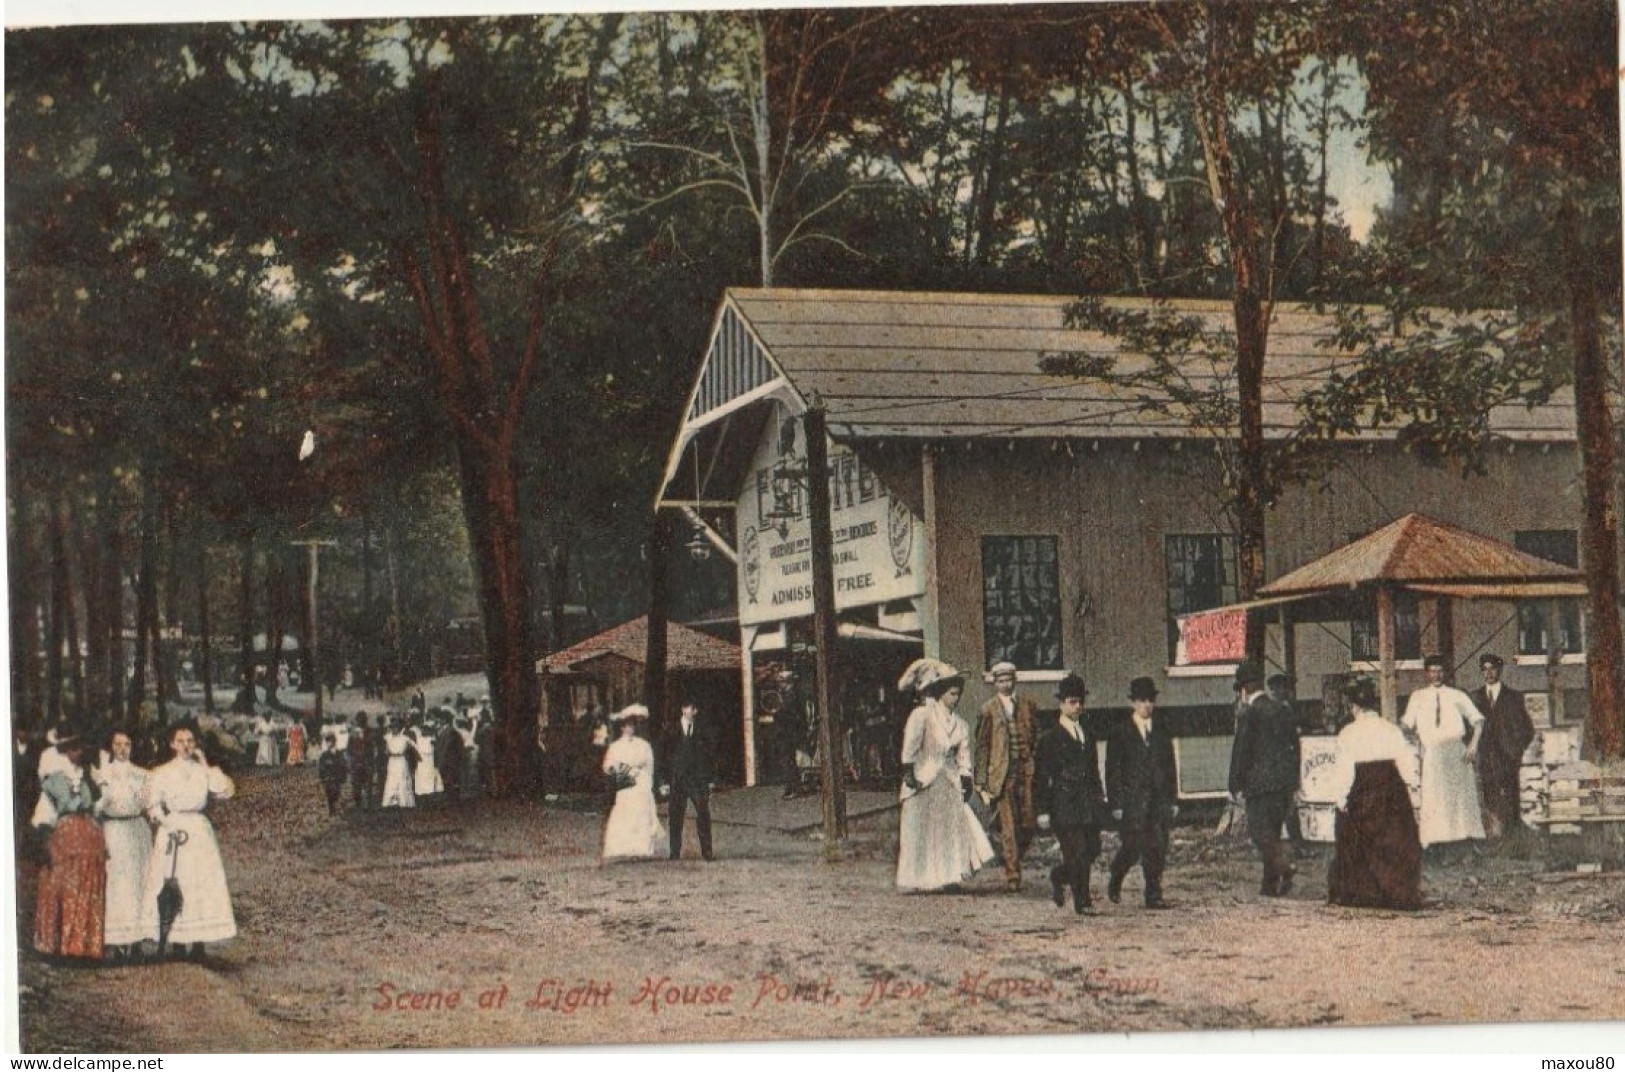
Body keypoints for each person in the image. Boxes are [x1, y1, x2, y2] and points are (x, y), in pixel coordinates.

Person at [894, 658, 994, 892]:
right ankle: (914, 879)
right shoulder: (923, 715)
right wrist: (909, 772)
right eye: (951, 694)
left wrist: (966, 776)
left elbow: (963, 755)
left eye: (958, 694)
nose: (955, 699)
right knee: (920, 830)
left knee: (948, 832)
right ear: (940, 694)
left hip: (948, 782)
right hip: (924, 779)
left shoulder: (960, 724)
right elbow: (910, 746)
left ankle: (949, 877)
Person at [138, 722, 237, 960]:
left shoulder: (203, 771)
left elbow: (225, 791)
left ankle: (198, 942)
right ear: (172, 744)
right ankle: (176, 940)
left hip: (199, 832)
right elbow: (152, 804)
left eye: (190, 741)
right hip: (173, 830)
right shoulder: (161, 772)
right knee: (175, 881)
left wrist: (205, 764)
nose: (186, 746)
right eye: (181, 741)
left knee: (199, 883)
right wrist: (166, 823)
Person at [1326, 677, 1425, 910]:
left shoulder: (1348, 733)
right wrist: (1412, 788)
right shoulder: (1390, 729)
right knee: (1394, 838)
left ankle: (1364, 892)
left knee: (1355, 835)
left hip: (1363, 790)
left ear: (1354, 707)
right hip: (1392, 790)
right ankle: (1397, 891)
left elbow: (1344, 771)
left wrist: (1341, 799)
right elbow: (1407, 761)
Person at [1033, 673, 1107, 914]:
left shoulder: (1088, 733)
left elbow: (1094, 769)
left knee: (1092, 849)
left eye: (1080, 702)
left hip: (1088, 803)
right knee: (1076, 852)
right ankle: (1082, 901)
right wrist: (1042, 810)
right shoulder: (1050, 738)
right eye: (1072, 702)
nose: (1077, 707)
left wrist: (1100, 797)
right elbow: (1041, 777)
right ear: (1061, 703)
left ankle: (1058, 875)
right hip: (1063, 804)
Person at [1229, 660, 1302, 897]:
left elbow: (1241, 752)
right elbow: (1295, 747)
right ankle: (1269, 886)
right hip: (1283, 785)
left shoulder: (1249, 714)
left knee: (1261, 835)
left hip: (1258, 786)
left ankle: (1285, 867)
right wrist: (1293, 781)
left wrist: (1234, 784)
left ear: (1244, 689)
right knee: (1272, 831)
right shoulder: (1282, 709)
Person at [31, 734, 107, 961]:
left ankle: (82, 947)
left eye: (80, 748)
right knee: (62, 889)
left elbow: (97, 806)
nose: (78, 753)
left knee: (87, 889)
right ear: (65, 750)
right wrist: (45, 841)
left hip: (89, 840)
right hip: (64, 841)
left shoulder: (88, 778)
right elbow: (44, 814)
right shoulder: (54, 780)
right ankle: (60, 946)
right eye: (72, 748)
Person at [1105, 675, 1178, 909]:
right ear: (1132, 703)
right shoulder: (1120, 732)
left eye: (1150, 700)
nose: (1147, 705)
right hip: (1132, 802)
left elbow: (1170, 767)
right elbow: (1112, 771)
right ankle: (1116, 876)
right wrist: (1116, 803)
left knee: (1157, 847)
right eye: (1142, 700)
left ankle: (1153, 894)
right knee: (1132, 847)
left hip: (1158, 801)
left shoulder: (1162, 730)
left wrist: (1172, 799)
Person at [1400, 653, 1485, 851]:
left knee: (1461, 798)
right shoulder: (1418, 696)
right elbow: (1406, 724)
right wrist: (1411, 738)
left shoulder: (1457, 695)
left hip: (1456, 752)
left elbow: (1478, 721)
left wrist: (1473, 745)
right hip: (1433, 753)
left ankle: (1465, 842)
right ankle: (1435, 845)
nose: (1436, 675)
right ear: (1426, 674)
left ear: (1445, 673)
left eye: (1439, 671)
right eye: (1432, 671)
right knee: (1435, 797)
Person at [974, 661, 1038, 891]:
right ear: (994, 683)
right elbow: (981, 747)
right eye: (1000, 681)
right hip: (1002, 775)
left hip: (1026, 772)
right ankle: (1013, 875)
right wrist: (981, 781)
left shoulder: (1027, 705)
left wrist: (1033, 761)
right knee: (1008, 826)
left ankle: (1012, 857)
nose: (1005, 684)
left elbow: (1035, 737)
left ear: (1015, 680)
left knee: (1028, 823)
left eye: (1009, 680)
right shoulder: (988, 709)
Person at [94, 730, 151, 961]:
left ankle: (137, 939)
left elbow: (149, 802)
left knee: (138, 884)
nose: (122, 749)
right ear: (110, 747)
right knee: (118, 886)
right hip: (114, 831)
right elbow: (97, 807)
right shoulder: (102, 774)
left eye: (127, 744)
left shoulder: (140, 774)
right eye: (117, 744)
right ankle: (117, 942)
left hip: (137, 830)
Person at [1470, 653, 1535, 838]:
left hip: (1507, 757)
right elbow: (1468, 729)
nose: (1489, 673)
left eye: (1493, 669)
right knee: (1489, 796)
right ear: (1481, 672)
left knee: (1511, 797)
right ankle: (1493, 838)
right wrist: (1475, 748)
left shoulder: (1513, 697)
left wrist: (1516, 750)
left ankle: (1513, 838)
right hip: (1486, 758)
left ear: (1500, 670)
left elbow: (1527, 729)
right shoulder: (1475, 698)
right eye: (1485, 669)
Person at [601, 705, 664, 861]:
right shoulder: (616, 747)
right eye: (627, 726)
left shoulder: (643, 745)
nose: (629, 729)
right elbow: (608, 766)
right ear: (622, 728)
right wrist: (622, 770)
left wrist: (647, 781)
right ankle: (624, 848)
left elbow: (650, 766)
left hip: (641, 784)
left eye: (632, 726)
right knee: (625, 814)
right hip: (626, 785)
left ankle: (641, 849)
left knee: (641, 814)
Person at [663, 701, 716, 862]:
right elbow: (664, 756)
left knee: (703, 813)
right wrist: (664, 780)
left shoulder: (702, 730)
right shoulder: (671, 730)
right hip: (678, 779)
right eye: (686, 708)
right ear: (682, 710)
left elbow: (709, 755)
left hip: (697, 780)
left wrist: (711, 779)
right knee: (675, 816)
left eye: (692, 708)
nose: (688, 711)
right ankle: (674, 852)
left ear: (695, 711)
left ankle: (707, 852)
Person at [380, 718, 417, 809]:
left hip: (401, 760)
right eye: (392, 728)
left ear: (399, 728)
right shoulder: (388, 737)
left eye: (396, 728)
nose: (394, 730)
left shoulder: (404, 738)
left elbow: (414, 747)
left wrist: (406, 751)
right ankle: (391, 800)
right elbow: (385, 750)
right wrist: (388, 751)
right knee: (391, 778)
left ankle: (403, 801)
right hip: (392, 760)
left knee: (401, 778)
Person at [317, 733, 348, 816]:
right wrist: (323, 777)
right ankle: (331, 810)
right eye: (327, 741)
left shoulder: (339, 754)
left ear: (334, 742)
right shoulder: (324, 755)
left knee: (336, 793)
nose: (328, 743)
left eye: (329, 741)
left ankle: (335, 809)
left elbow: (343, 766)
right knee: (329, 794)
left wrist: (343, 777)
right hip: (328, 778)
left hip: (337, 778)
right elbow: (321, 767)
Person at [348, 714, 374, 810]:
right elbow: (349, 747)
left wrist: (362, 737)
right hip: (357, 760)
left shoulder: (370, 731)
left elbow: (371, 744)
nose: (360, 722)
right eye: (359, 720)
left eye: (362, 720)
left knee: (367, 783)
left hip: (366, 760)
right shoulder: (353, 733)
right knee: (356, 783)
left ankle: (367, 804)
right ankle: (358, 802)